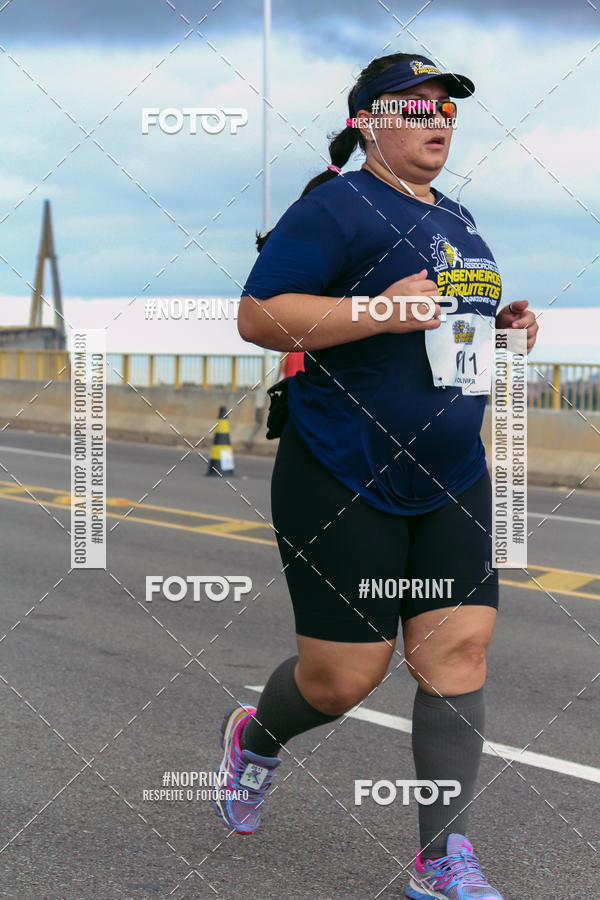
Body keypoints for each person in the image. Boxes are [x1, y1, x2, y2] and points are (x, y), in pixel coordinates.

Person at [213, 52, 539, 900]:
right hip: (343, 470)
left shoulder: (460, 219)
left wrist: (500, 327)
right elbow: (260, 315)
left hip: (453, 472)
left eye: (448, 110)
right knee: (342, 679)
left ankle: (441, 860)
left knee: (458, 653)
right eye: (417, 107)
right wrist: (379, 309)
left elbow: (441, 326)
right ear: (368, 122)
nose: (439, 121)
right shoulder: (337, 207)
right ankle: (257, 735)